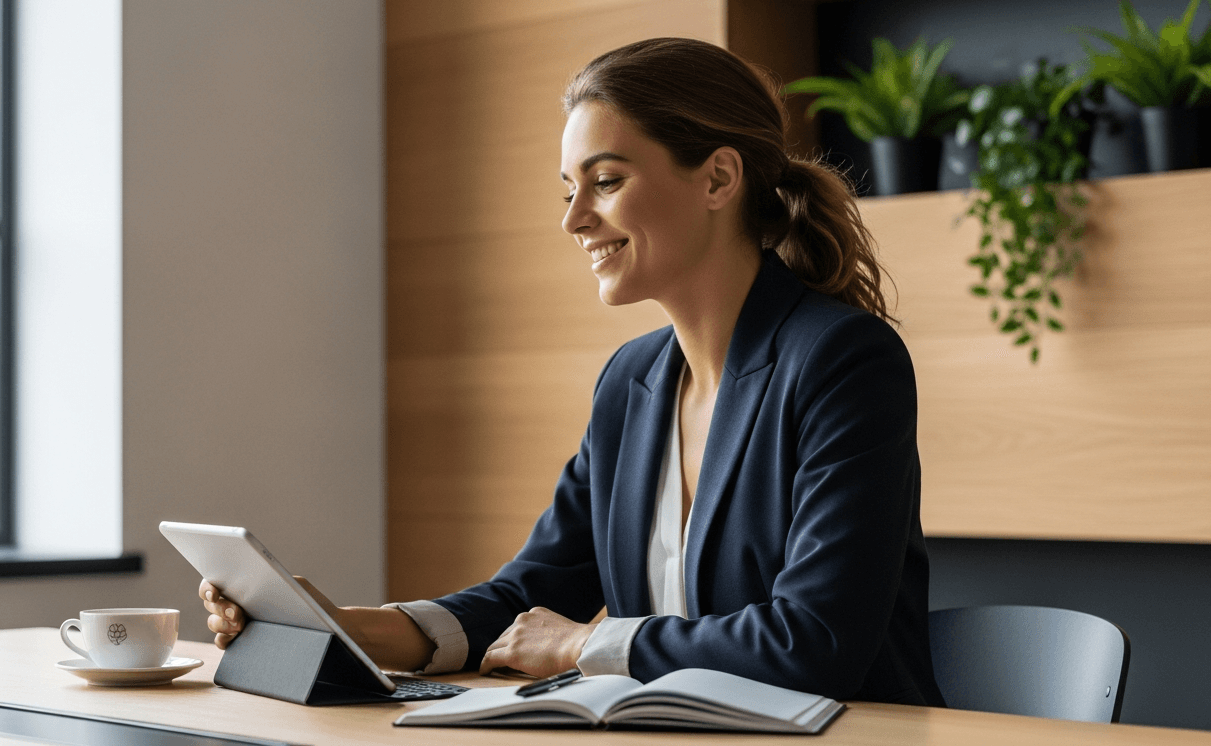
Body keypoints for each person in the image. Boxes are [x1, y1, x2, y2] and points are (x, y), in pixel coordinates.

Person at [200, 37, 945, 706]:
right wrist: (342, 624)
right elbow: (528, 596)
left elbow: (813, 643)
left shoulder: (843, 361)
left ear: (718, 179)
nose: (574, 219)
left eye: (606, 181)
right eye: (569, 189)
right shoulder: (632, 381)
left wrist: (583, 646)